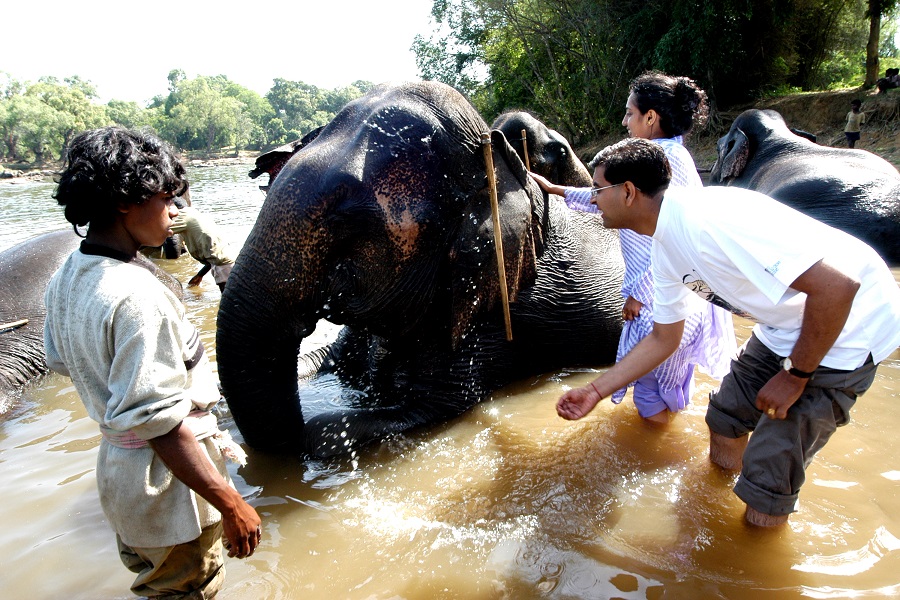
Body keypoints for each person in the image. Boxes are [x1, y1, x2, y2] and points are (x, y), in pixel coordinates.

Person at [556, 137, 900, 527]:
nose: (594, 199)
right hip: (786, 324)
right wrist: (595, 391)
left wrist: (795, 376)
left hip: (850, 327)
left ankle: (758, 531)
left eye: (598, 189)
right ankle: (718, 508)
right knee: (724, 418)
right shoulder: (666, 245)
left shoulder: (711, 223)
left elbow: (839, 287)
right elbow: (663, 338)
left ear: (629, 192)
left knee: (771, 467)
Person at [43, 126, 261, 598]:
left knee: (159, 586)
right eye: (167, 199)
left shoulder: (68, 276)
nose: (176, 213)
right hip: (171, 492)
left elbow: (60, 360)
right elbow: (159, 422)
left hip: (122, 479)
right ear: (127, 200)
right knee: (187, 590)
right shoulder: (138, 295)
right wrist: (230, 504)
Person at [532, 71, 735, 424]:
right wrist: (557, 190)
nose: (625, 121)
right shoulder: (672, 156)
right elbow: (606, 197)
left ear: (651, 117)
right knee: (664, 386)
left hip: (664, 299)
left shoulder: (659, 161)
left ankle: (657, 461)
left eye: (630, 113)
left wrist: (638, 294)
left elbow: (674, 239)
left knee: (650, 393)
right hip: (685, 296)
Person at [170, 193, 236, 292]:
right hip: (228, 259)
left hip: (223, 265)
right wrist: (200, 275)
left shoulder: (182, 216)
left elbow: (160, 230)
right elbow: (212, 253)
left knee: (228, 301)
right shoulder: (194, 213)